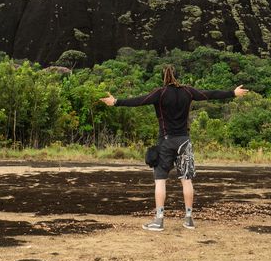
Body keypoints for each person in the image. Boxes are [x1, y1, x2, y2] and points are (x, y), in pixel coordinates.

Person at [100, 65, 249, 231]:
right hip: (184, 141)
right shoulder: (188, 91)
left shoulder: (160, 93)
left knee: (160, 180)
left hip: (165, 141)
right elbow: (210, 94)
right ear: (178, 76)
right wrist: (232, 93)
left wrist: (116, 102)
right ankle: (189, 219)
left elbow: (138, 101)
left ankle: (159, 220)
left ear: (163, 77)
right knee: (187, 180)